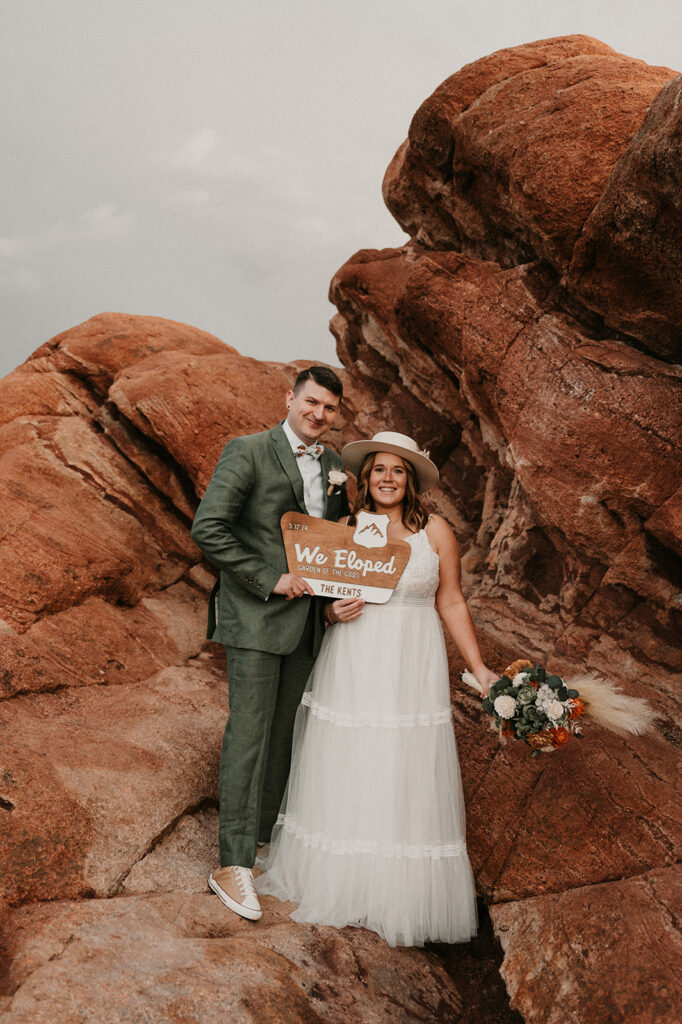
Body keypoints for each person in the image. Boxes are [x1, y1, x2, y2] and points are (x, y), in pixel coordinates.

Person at [257, 431, 498, 946]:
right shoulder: (345, 527)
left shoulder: (435, 531)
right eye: (379, 470)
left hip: (412, 654)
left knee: (402, 759)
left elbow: (451, 600)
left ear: (410, 480)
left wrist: (480, 668)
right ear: (364, 479)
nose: (387, 478)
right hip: (356, 650)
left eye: (398, 470)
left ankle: (395, 893)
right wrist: (329, 610)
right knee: (350, 753)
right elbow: (323, 596)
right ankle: (343, 880)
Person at [191, 366, 349, 922]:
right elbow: (210, 527)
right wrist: (268, 578)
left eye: (329, 408)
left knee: (284, 734)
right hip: (257, 617)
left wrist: (334, 601)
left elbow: (330, 546)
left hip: (307, 623)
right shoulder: (249, 450)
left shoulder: (334, 467)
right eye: (311, 402)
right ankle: (230, 864)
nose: (318, 414)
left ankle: (260, 844)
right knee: (250, 733)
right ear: (290, 399)